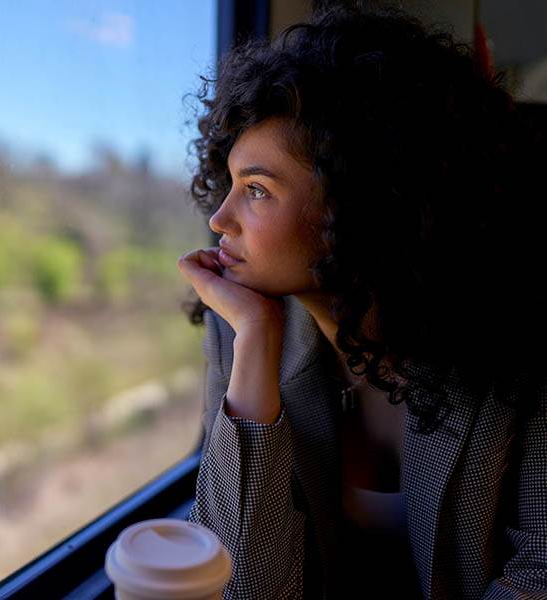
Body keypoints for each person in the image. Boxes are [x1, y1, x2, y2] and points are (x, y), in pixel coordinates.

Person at [176, 3, 547, 599]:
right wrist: (255, 343)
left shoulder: (520, 336)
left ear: (361, 203)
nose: (220, 219)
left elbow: (540, 572)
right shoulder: (238, 331)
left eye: (258, 190)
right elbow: (245, 588)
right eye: (232, 185)